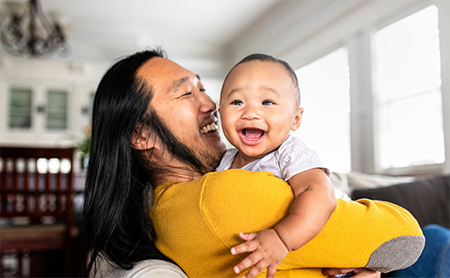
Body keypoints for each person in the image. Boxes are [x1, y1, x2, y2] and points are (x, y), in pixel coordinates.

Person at [82, 49, 425, 278]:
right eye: (187, 93)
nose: (211, 105)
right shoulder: (224, 196)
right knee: (436, 236)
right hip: (421, 249)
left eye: (203, 88)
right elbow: (406, 236)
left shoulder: (162, 212)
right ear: (142, 135)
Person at [216, 53, 336, 278]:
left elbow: (321, 194)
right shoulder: (224, 162)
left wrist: (282, 238)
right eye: (237, 102)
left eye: (267, 102)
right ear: (220, 114)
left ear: (295, 119)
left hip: (324, 249)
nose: (251, 113)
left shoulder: (290, 152)